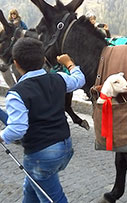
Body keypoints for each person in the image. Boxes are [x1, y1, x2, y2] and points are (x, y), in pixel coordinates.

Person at [0, 37, 85, 203]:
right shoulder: (59, 78)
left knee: (53, 198)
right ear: (44, 59)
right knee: (30, 189)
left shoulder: (17, 94)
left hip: (42, 155)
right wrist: (69, 63)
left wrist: (2, 135)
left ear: (16, 64)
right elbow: (79, 79)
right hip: (65, 147)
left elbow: (18, 128)